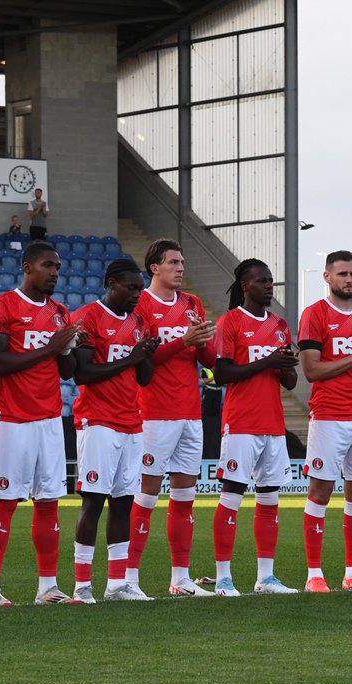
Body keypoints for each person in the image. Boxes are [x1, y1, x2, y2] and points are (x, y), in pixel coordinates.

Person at [0, 242, 82, 606]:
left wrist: (68, 349)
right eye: (47, 265)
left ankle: (48, 587)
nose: (55, 272)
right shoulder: (2, 306)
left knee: (49, 502)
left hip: (51, 419)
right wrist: (52, 348)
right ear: (27, 267)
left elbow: (68, 372)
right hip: (14, 419)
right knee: (5, 501)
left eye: (57, 266)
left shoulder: (59, 311)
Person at [129, 238, 217, 597]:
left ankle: (180, 578)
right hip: (153, 414)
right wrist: (184, 341)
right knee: (146, 495)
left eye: (182, 262)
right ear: (155, 268)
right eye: (174, 262)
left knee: (185, 497)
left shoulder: (191, 304)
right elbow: (142, 362)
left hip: (189, 414)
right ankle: (128, 578)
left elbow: (209, 361)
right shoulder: (140, 305)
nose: (181, 268)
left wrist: (201, 339)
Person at [69, 259, 159, 603]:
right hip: (98, 420)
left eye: (140, 288)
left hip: (131, 422)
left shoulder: (139, 321)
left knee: (123, 503)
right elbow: (84, 373)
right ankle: (81, 586)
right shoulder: (88, 316)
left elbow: (145, 377)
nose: (137, 294)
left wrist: (146, 353)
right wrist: (132, 358)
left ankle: (117, 584)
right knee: (93, 501)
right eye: (131, 287)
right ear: (111, 284)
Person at [297, 250, 352, 592]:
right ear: (327, 277)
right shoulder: (315, 314)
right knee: (320, 489)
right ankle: (314, 575)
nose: (348, 280)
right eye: (342, 274)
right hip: (329, 414)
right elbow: (311, 370)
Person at [210, 258, 299, 596]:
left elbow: (288, 381)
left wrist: (286, 366)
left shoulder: (279, 325)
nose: (268, 286)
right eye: (261, 281)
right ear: (245, 285)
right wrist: (268, 361)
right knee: (232, 496)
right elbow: (222, 374)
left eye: (271, 280)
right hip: (242, 422)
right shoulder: (230, 322)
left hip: (273, 424)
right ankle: (223, 578)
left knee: (269, 500)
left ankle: (266, 577)